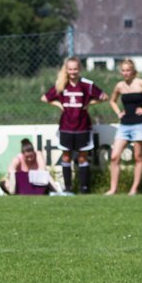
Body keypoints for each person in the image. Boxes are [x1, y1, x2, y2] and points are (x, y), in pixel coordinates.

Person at [42, 56, 107, 194]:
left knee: (83, 157)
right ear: (66, 70)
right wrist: (59, 104)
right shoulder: (61, 84)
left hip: (82, 126)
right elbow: (45, 98)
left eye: (75, 69)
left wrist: (89, 103)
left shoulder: (86, 84)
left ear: (80, 69)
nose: (73, 72)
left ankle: (84, 189)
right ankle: (68, 188)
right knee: (66, 157)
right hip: (66, 127)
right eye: (70, 69)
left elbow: (104, 97)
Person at [106, 59, 142, 196]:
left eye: (128, 70)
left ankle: (134, 189)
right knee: (114, 156)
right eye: (123, 71)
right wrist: (118, 112)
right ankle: (113, 189)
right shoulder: (119, 86)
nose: (125, 73)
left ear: (133, 71)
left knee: (138, 157)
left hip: (139, 124)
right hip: (124, 125)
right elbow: (112, 101)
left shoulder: (141, 83)